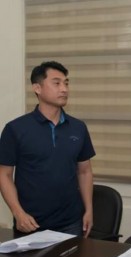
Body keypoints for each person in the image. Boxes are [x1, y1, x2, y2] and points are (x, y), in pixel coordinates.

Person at [0, 61, 95, 237]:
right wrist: (18, 213)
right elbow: (4, 175)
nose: (64, 89)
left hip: (71, 223)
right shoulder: (15, 129)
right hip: (30, 223)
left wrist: (88, 209)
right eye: (57, 83)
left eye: (66, 83)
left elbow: (85, 172)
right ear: (37, 88)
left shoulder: (78, 127)